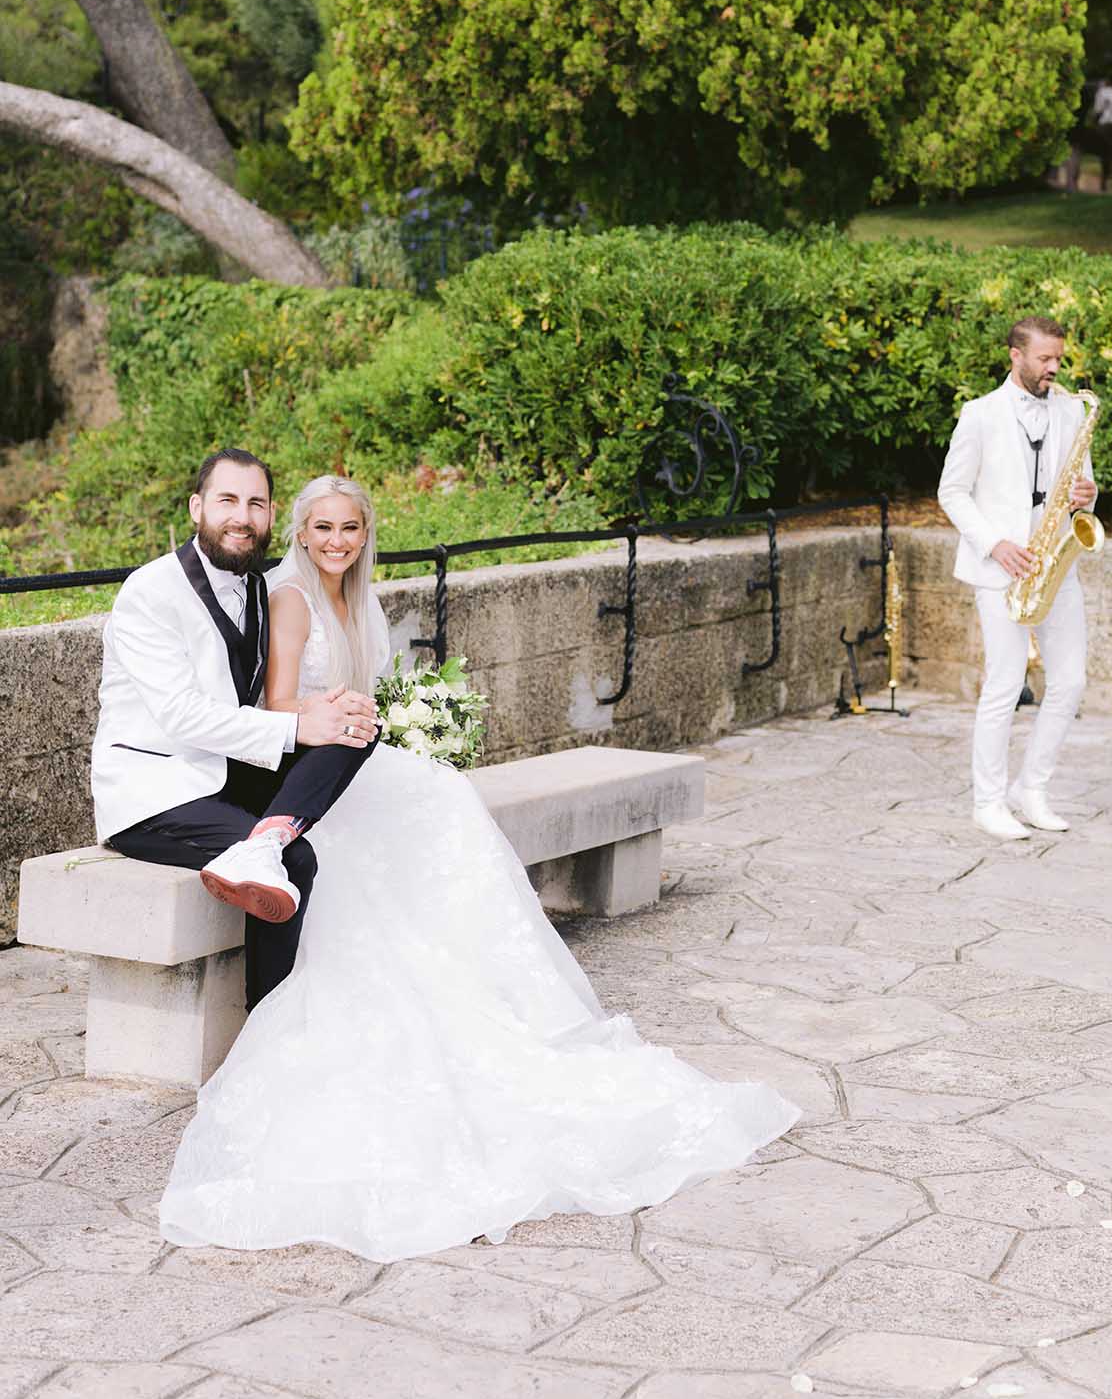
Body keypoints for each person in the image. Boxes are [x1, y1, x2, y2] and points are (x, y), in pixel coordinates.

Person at [158, 474, 798, 1261]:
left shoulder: (360, 599)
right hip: (310, 769)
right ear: (297, 531)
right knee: (436, 800)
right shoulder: (291, 598)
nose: (335, 540)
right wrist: (351, 719)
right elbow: (283, 704)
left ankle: (484, 985)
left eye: (350, 527)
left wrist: (387, 718)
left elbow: (369, 692)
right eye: (321, 526)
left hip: (352, 759)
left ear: (365, 534)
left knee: (443, 797)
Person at [93, 449, 381, 1010]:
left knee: (354, 726)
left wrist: (321, 711)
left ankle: (266, 838)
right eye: (227, 500)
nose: (242, 516)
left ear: (272, 515)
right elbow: (181, 715)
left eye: (255, 503)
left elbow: (256, 696)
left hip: (222, 772)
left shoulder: (253, 587)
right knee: (297, 863)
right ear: (197, 507)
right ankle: (265, 1030)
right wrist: (296, 727)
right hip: (155, 792)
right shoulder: (150, 592)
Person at [937, 318, 1098, 841]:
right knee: (1005, 683)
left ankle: (1032, 789)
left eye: (1058, 358)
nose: (1054, 368)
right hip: (1001, 566)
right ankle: (987, 801)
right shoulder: (979, 415)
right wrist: (995, 545)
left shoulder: (1072, 410)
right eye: (1044, 359)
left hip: (1056, 560)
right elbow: (952, 492)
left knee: (1070, 680)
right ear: (1016, 356)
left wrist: (1086, 496)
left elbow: (1083, 482)